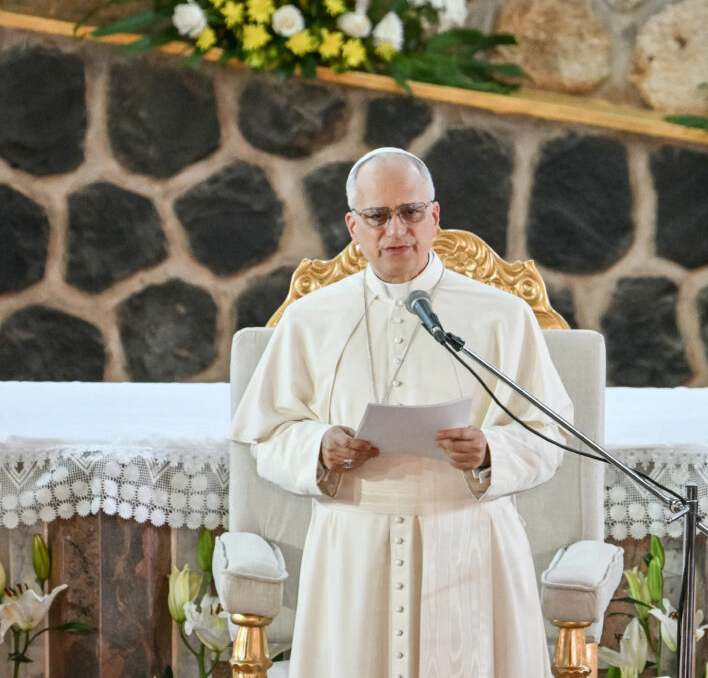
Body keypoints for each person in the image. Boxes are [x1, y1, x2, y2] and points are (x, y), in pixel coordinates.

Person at [229, 147, 573, 677]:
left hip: (470, 539)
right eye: (378, 215)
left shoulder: (503, 316)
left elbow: (548, 433)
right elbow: (267, 437)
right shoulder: (309, 320)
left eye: (411, 212)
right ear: (353, 226)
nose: (397, 230)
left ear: (434, 218)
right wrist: (319, 446)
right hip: (354, 547)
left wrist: (490, 451)